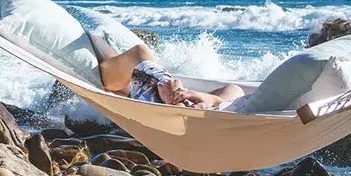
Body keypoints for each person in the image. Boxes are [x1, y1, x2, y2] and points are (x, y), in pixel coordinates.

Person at [98, 42, 246, 109]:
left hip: (176, 108)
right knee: (234, 89)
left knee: (140, 53)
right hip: (192, 106)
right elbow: (235, 89)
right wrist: (210, 99)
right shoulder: (255, 112)